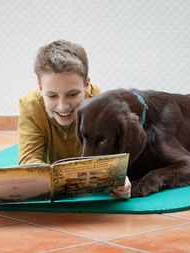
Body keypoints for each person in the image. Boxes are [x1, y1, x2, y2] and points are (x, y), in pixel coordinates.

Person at [18, 39, 131, 199]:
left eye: (72, 94)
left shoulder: (97, 101)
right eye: (51, 96)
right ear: (41, 88)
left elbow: (108, 158)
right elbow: (28, 159)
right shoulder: (30, 105)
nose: (63, 106)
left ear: (86, 85)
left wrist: (120, 180)